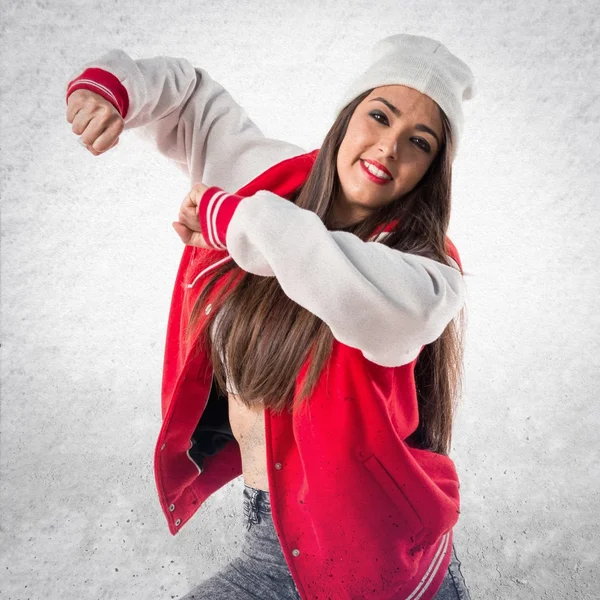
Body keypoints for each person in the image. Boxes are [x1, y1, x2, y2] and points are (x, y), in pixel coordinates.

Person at [65, 33, 475, 600]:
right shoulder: (270, 181)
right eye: (378, 116)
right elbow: (190, 101)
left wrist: (228, 218)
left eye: (419, 142)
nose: (387, 147)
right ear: (347, 116)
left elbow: (359, 293)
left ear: (432, 170)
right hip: (273, 526)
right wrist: (112, 90)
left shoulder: (426, 271)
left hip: (370, 554)